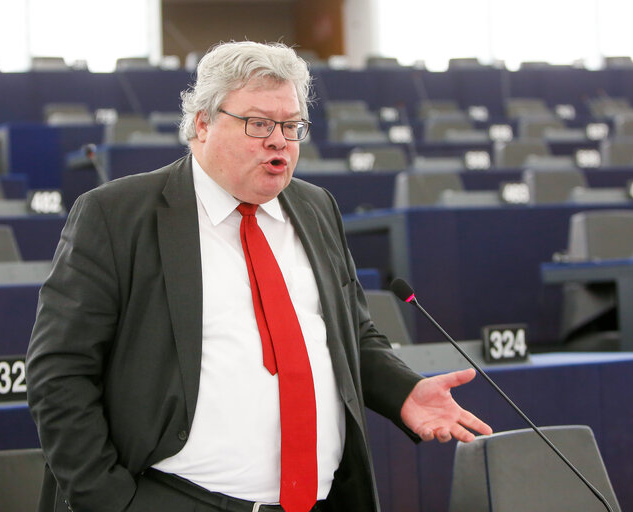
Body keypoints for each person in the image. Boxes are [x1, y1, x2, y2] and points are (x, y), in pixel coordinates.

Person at [26, 41, 492, 512]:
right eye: (259, 124)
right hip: (175, 496)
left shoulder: (315, 208)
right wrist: (112, 502)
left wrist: (404, 391)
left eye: (291, 126)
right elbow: (59, 372)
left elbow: (351, 334)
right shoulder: (117, 215)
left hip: (320, 500)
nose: (279, 141)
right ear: (203, 123)